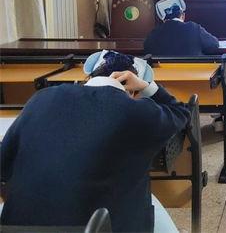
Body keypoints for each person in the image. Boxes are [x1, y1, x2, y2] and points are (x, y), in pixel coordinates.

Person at [0, 51, 187, 232]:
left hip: (17, 227)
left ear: (87, 79)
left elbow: (4, 162)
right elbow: (181, 112)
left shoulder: (41, 98)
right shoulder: (137, 111)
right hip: (97, 227)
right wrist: (147, 86)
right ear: (132, 92)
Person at [144, 0, 220, 57]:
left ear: (163, 19)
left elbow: (147, 49)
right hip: (193, 71)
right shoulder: (194, 28)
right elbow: (214, 45)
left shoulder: (155, 32)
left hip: (163, 71)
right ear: (183, 16)